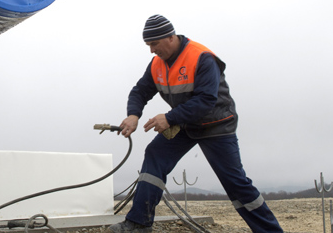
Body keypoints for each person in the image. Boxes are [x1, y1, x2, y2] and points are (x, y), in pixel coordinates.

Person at [108, 15, 283, 233]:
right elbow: (140, 91)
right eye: (148, 45)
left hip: (216, 125)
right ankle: (139, 223)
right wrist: (133, 114)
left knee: (236, 183)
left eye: (154, 44)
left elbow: (205, 100)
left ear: (170, 37)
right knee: (155, 154)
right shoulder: (156, 65)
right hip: (185, 124)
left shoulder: (202, 58)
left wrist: (169, 118)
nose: (151, 50)